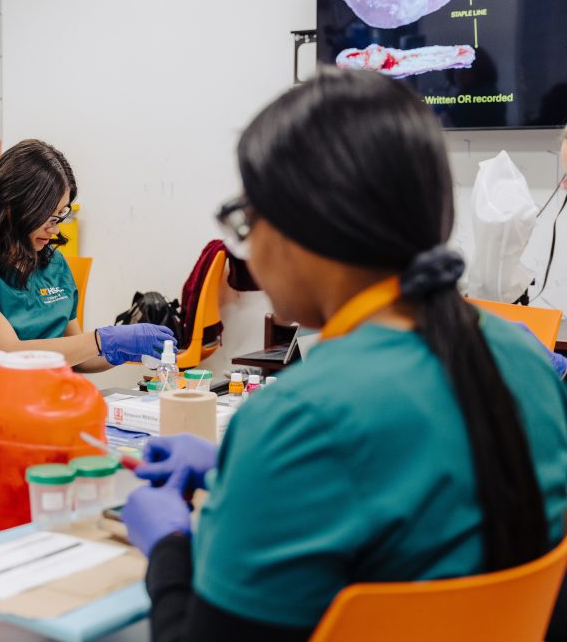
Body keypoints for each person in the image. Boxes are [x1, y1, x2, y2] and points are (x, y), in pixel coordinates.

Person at [121, 69, 567, 641]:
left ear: (305, 228)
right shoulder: (522, 357)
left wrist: (168, 546)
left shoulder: (300, 416)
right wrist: (238, 469)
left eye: (248, 219)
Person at [0, 139, 176, 426]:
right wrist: (102, 338)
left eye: (61, 215)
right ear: (12, 207)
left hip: (48, 405)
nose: (56, 229)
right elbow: (11, 353)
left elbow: (78, 358)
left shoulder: (53, 263)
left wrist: (122, 348)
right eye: (48, 217)